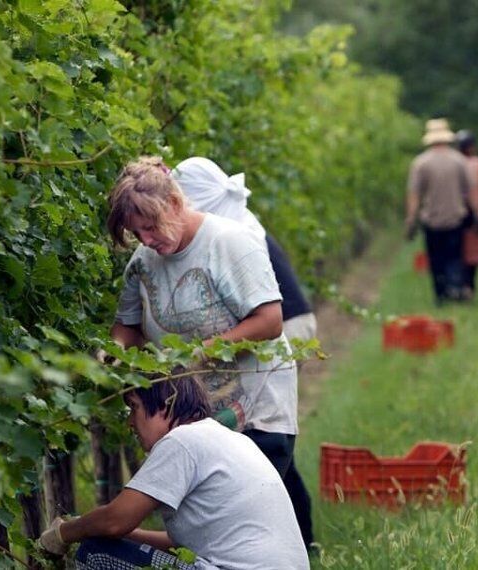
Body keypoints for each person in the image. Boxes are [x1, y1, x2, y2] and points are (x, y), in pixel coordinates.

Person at [104, 155, 300, 503]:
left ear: (175, 203)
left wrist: (200, 351)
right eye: (136, 232)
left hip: (256, 412)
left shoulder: (229, 242)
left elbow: (269, 321)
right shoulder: (142, 263)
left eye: (150, 226)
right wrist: (113, 353)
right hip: (197, 421)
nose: (145, 239)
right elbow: (127, 326)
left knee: (239, 515)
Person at [169, 156, 316, 550]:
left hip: (287, 327)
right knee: (271, 443)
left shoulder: (229, 230)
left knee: (265, 439)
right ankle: (302, 540)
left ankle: (289, 537)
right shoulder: (235, 216)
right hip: (290, 322)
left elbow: (261, 313)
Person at [36, 375, 309, 569]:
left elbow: (115, 520)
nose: (130, 421)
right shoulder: (230, 439)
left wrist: (64, 533)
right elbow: (183, 544)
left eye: (134, 407)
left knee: (95, 553)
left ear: (166, 404)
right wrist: (98, 527)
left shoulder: (182, 441)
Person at [405, 119, 475, 303]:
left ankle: (441, 292)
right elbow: (470, 191)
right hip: (455, 217)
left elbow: (414, 194)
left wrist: (411, 220)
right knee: (454, 256)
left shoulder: (420, 163)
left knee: (436, 259)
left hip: (432, 219)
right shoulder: (459, 161)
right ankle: (455, 286)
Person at [455, 129, 478, 297]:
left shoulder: (454, 162)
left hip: (458, 209)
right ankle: (469, 283)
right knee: (473, 247)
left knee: (458, 247)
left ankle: (460, 282)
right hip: (473, 208)